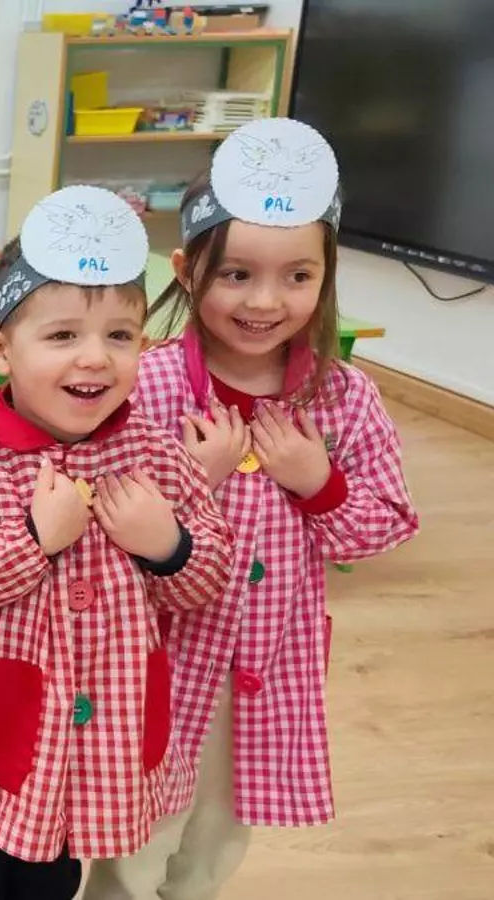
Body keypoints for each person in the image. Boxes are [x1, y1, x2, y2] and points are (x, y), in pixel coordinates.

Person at [84, 118, 421, 900]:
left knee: (218, 836)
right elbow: (101, 514)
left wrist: (319, 482)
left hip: (267, 671)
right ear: (186, 269)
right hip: (157, 667)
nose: (265, 301)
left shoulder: (342, 398)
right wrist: (187, 484)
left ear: (325, 277)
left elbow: (387, 523)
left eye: (297, 276)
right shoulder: (146, 385)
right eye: (236, 274)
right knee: (139, 835)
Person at [0, 185, 234, 899]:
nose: (95, 359)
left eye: (119, 336)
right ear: (0, 352)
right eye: (62, 337)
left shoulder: (155, 452)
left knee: (51, 884)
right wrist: (31, 542)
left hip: (92, 751)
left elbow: (210, 571)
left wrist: (168, 546)